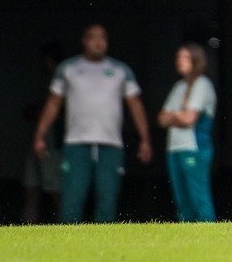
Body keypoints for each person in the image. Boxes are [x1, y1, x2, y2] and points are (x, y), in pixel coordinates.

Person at [32, 24, 152, 223]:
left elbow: (136, 105)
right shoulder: (68, 68)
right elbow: (53, 103)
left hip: (111, 144)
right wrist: (39, 135)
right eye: (93, 37)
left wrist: (145, 139)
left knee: (108, 199)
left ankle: (103, 248)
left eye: (102, 37)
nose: (98, 42)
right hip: (76, 143)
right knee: (72, 198)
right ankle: (69, 246)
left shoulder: (121, 70)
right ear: (84, 41)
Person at [158, 42, 217, 222]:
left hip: (194, 147)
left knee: (198, 197)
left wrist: (174, 117)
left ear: (196, 60)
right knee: (182, 201)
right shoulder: (179, 86)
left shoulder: (202, 84)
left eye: (185, 57)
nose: (180, 61)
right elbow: (161, 119)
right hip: (174, 148)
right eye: (178, 57)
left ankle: (210, 236)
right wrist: (180, 115)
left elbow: (189, 119)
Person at [21, 43, 65, 224]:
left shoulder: (62, 81)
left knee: (55, 189)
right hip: (37, 141)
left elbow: (58, 111)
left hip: (52, 141)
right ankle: (26, 229)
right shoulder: (43, 81)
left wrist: (37, 112)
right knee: (30, 188)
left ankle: (68, 228)